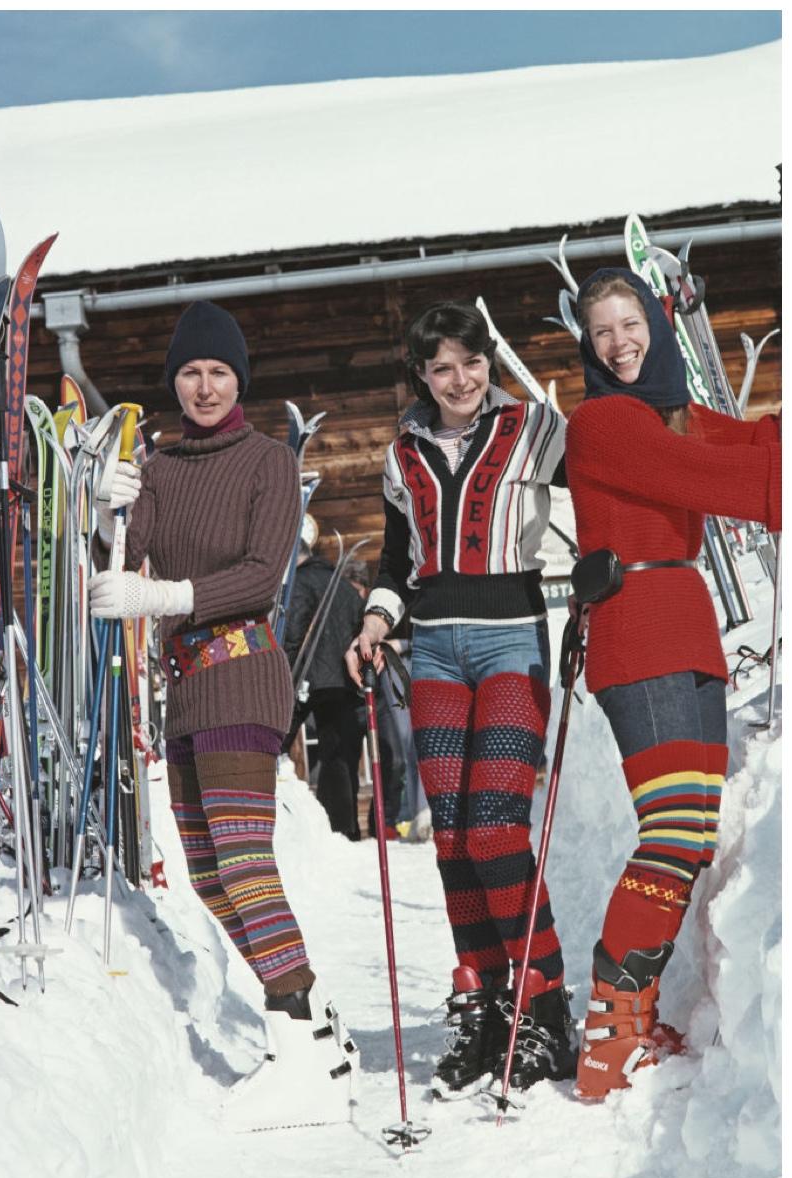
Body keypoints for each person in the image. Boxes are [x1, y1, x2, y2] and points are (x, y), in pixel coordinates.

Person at [88, 300, 357, 1130]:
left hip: (243, 676)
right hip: (186, 689)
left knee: (244, 864)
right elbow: (122, 564)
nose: (204, 387)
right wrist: (102, 515)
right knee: (209, 875)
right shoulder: (160, 466)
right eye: (190, 373)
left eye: (218, 372)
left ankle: (302, 1048)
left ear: (239, 379)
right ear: (174, 382)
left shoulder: (268, 461)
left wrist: (163, 596)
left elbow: (261, 575)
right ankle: (316, 1028)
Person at [345, 300, 577, 1099]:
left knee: (493, 828)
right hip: (435, 649)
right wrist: (376, 621)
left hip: (512, 639)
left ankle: (543, 1002)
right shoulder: (399, 454)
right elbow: (396, 559)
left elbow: (606, 480)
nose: (459, 380)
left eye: (471, 362)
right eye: (441, 367)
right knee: (449, 836)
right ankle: (484, 1003)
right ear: (420, 374)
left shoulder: (534, 429)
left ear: (488, 363)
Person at [565, 268, 781, 1101]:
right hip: (635, 630)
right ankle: (607, 1033)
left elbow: (745, 445)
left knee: (689, 835)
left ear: (655, 326)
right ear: (588, 347)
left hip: (684, 626)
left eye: (630, 324)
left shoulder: (668, 412)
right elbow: (714, 478)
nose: (618, 343)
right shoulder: (602, 421)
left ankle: (631, 1013)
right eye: (601, 332)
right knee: (669, 831)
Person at [283, 521, 366, 841]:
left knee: (277, 745)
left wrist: (284, 672)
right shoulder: (342, 585)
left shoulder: (299, 583)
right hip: (345, 680)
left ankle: (297, 827)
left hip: (308, 678)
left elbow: (293, 632)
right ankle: (345, 828)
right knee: (341, 755)